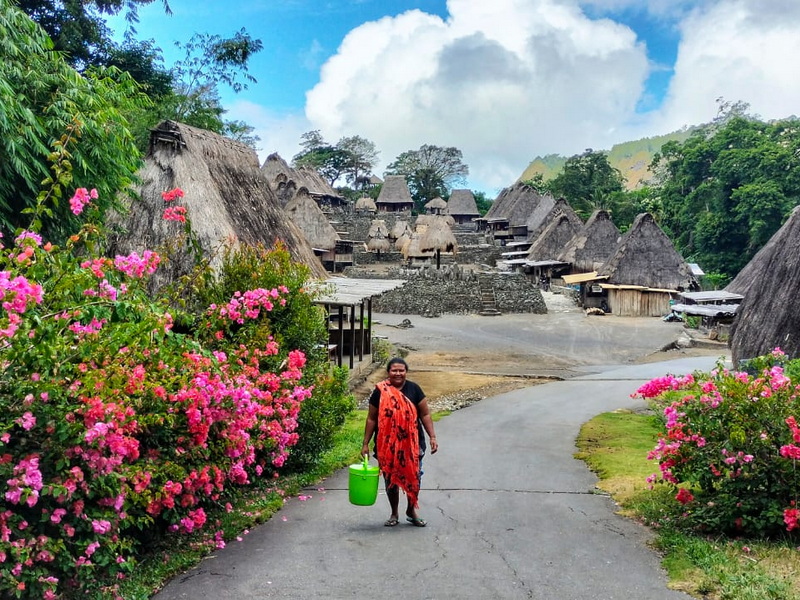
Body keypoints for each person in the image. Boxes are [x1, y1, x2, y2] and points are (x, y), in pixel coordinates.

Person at [361, 357, 438, 527]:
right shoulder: (380, 391)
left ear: (406, 372)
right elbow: (372, 419)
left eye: (401, 370)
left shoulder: (414, 389)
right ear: (388, 372)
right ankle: (394, 513)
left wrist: (432, 436)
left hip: (413, 443)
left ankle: (411, 511)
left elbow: (425, 414)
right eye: (394, 370)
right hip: (387, 445)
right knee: (390, 478)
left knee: (414, 477)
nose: (398, 373)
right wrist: (365, 443)